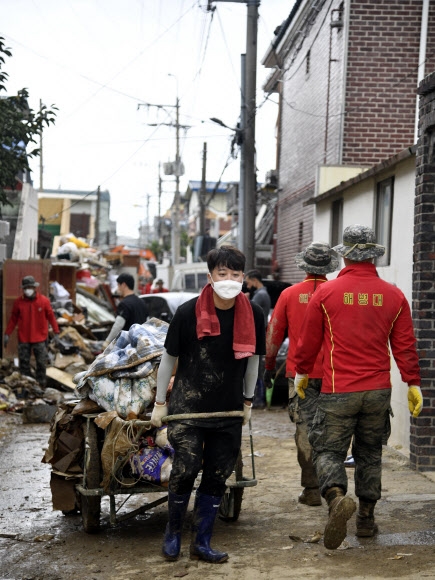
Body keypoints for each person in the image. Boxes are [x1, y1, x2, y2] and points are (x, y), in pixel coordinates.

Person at [294, 225, 423, 550]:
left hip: (338, 389)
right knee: (369, 455)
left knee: (328, 451)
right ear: (373, 255)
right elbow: (405, 346)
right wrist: (413, 383)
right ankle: (366, 519)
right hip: (378, 391)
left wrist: (301, 372)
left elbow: (308, 342)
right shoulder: (393, 295)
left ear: (346, 254)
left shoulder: (326, 293)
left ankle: (337, 498)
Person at [150, 246, 265, 563]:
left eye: (236, 274)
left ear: (243, 276)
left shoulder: (253, 314)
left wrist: (248, 400)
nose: (229, 279)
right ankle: (173, 533)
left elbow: (253, 361)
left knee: (217, 476)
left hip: (227, 410)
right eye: (223, 273)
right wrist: (161, 403)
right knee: (185, 471)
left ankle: (201, 541)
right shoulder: (188, 313)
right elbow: (168, 360)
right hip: (189, 410)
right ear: (210, 275)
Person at [264, 242, 339, 506]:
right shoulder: (339, 293)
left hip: (300, 376)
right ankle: (333, 489)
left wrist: (269, 366)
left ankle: (311, 489)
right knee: (332, 431)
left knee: (305, 429)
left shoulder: (289, 294)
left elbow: (274, 333)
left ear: (304, 266)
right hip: (335, 375)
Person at [4, 276, 60, 388]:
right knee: (24, 363)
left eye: (30, 287)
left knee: (41, 363)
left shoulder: (44, 301)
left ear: (34, 288)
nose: (28, 289)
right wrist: (7, 334)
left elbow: (51, 317)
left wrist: (56, 331)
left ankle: (41, 385)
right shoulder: (18, 302)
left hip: (40, 338)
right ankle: (26, 385)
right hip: (24, 338)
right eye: (26, 287)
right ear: (23, 289)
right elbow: (13, 319)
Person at [244, 269, 271, 408]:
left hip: (256, 334)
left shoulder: (260, 295)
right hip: (260, 333)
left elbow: (248, 312)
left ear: (254, 281)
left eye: (248, 282)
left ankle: (258, 399)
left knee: (256, 367)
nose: (247, 285)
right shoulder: (263, 293)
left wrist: (246, 299)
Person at [103, 273, 149, 347]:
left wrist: (107, 341)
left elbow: (118, 325)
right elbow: (147, 322)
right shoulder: (142, 302)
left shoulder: (124, 304)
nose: (118, 289)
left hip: (128, 346)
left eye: (118, 285)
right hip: (141, 344)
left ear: (124, 285)